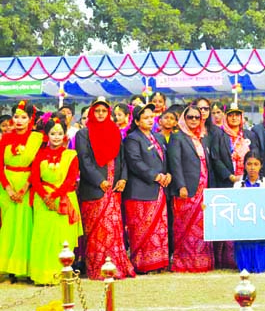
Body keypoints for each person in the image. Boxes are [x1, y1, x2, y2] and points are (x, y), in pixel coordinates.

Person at [75, 97, 135, 280]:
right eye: (97, 111)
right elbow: (84, 162)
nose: (100, 114)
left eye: (103, 111)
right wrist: (99, 181)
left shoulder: (115, 131)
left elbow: (123, 159)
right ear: (92, 113)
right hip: (95, 189)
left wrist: (123, 179)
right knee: (98, 230)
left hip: (114, 188)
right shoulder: (83, 134)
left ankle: (116, 266)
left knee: (113, 229)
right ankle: (98, 268)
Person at [27, 115, 82, 285]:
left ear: (64, 135)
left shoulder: (71, 155)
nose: (56, 137)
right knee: (43, 238)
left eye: (59, 133)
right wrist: (45, 197)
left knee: (62, 238)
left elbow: (71, 179)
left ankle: (62, 273)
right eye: (53, 134)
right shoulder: (40, 154)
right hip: (42, 200)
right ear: (47, 135)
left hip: (64, 199)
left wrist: (55, 196)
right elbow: (35, 178)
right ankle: (43, 275)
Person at [123, 103, 171, 274]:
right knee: (142, 229)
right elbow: (135, 162)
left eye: (152, 117)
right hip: (140, 191)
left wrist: (167, 174)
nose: (150, 120)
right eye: (145, 118)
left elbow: (164, 160)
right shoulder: (132, 139)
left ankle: (158, 262)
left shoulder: (157, 137)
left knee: (159, 229)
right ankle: (143, 264)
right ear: (136, 121)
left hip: (159, 189)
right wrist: (155, 176)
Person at [168, 105, 214, 273]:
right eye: (190, 117)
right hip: (187, 189)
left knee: (202, 227)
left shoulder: (202, 137)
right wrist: (181, 185)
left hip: (203, 190)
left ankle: (201, 262)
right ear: (184, 119)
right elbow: (175, 163)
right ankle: (184, 262)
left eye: (197, 117)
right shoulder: (178, 136)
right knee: (184, 227)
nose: (194, 120)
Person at [0, 101, 41, 280]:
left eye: (23, 117)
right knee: (7, 226)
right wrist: (8, 189)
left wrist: (25, 188)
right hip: (6, 186)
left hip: (26, 185)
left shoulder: (36, 139)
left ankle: (21, 268)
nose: (18, 120)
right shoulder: (6, 138)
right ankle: (5, 266)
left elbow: (37, 167)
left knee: (24, 226)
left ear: (30, 119)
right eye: (16, 117)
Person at [233, 150, 265, 273]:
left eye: (256, 164)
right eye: (249, 164)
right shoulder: (238, 185)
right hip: (244, 223)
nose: (252, 168)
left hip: (263, 223)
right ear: (244, 165)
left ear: (261, 165)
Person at [195, 97, 236, 190]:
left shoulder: (217, 131)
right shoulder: (189, 131)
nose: (203, 111)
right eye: (200, 109)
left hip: (218, 176)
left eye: (206, 109)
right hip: (198, 177)